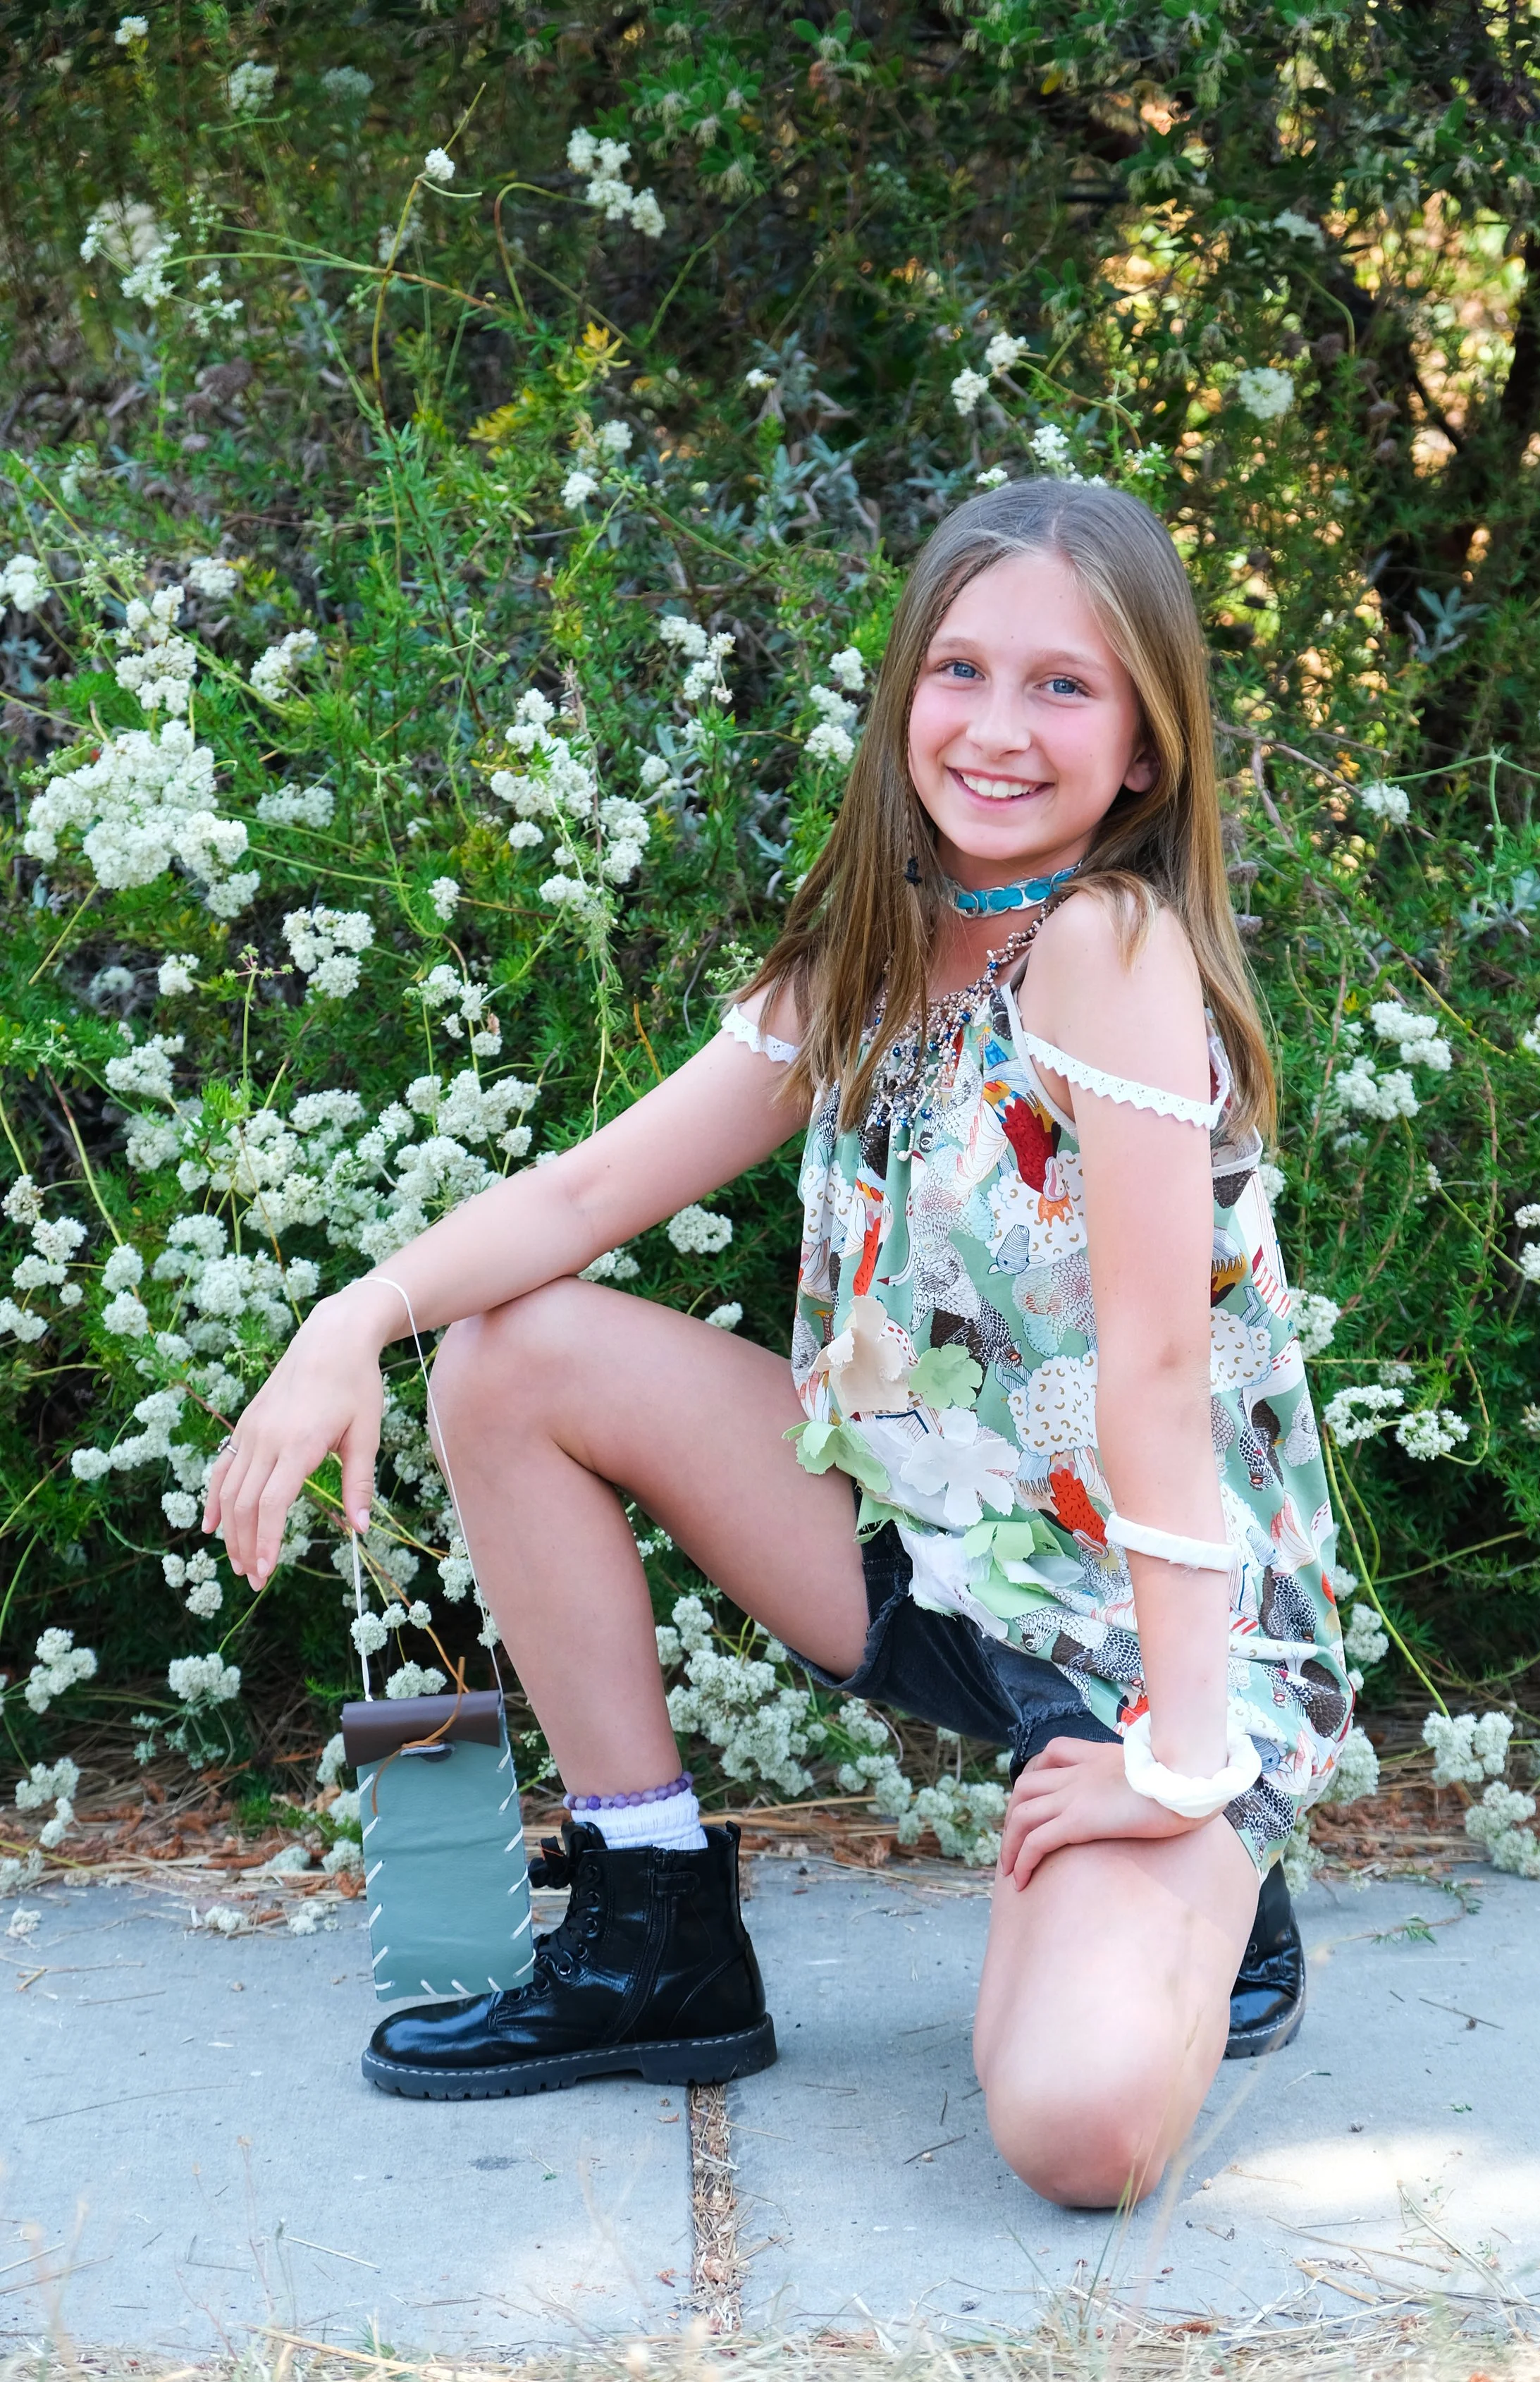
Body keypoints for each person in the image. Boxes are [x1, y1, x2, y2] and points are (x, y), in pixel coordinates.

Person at [207, 478, 1351, 2211]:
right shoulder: (873, 952)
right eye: (959, 670)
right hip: (930, 1570)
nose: (993, 726)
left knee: (1077, 2136)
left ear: (1142, 750)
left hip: (1148, 1647)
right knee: (509, 1353)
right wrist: (351, 1315)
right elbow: (587, 1188)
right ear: (903, 696)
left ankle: (1207, 1871)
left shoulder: (1113, 947)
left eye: (1063, 686)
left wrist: (1178, 1752)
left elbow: (1159, 1376)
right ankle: (650, 1922)